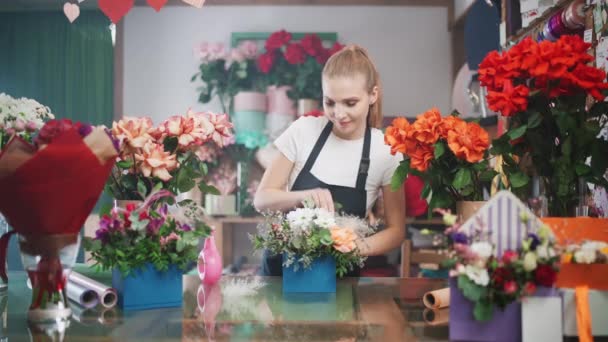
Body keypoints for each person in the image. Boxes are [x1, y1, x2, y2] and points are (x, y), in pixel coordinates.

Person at [253, 45, 406, 276]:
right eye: (330, 102)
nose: (339, 114)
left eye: (350, 103)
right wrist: (302, 197)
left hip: (341, 278)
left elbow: (396, 231)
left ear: (373, 95)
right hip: (282, 274)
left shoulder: (386, 151)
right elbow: (262, 199)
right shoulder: (304, 131)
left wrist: (355, 247)